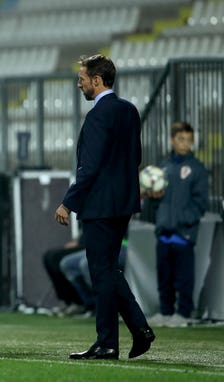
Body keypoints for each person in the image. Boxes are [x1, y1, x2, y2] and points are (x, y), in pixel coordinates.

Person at [54, 54, 155, 360]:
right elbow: (134, 157)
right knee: (108, 271)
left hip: (100, 204)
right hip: (123, 202)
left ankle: (108, 342)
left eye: (82, 78)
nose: (79, 84)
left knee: (101, 273)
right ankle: (138, 330)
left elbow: (90, 165)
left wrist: (68, 202)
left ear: (96, 81)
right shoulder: (128, 110)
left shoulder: (98, 115)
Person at [145, 121, 208, 328]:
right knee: (165, 277)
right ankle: (166, 311)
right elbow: (155, 202)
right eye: (181, 139)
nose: (186, 144)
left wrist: (182, 220)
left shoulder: (197, 169)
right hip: (164, 231)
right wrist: (152, 198)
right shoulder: (163, 168)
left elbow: (200, 204)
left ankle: (183, 313)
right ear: (172, 140)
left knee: (184, 277)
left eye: (189, 140)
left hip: (184, 233)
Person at [42, 233, 87, 317]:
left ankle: (85, 303)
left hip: (98, 242)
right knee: (49, 256)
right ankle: (71, 302)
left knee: (57, 259)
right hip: (86, 239)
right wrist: (77, 241)